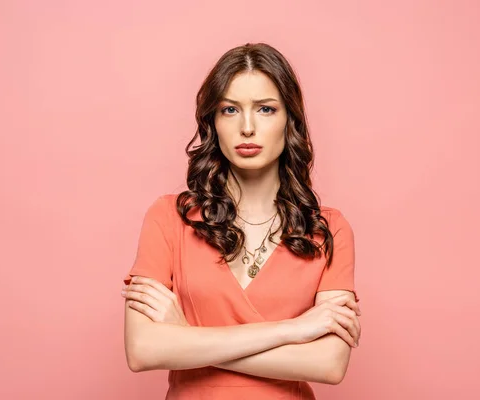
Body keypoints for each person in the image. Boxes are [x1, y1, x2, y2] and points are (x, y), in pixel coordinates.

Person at [120, 42, 362, 399]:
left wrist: (186, 336)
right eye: (230, 109)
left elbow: (328, 364)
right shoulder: (169, 218)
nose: (247, 127)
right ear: (213, 122)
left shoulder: (328, 230)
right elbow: (142, 350)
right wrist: (291, 331)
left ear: (290, 120)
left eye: (265, 109)